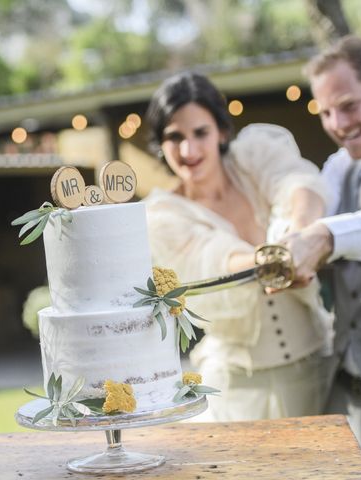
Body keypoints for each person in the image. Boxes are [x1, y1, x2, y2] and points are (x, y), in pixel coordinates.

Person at [143, 71, 334, 421]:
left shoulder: (253, 156)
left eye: (200, 132)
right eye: (174, 137)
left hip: (316, 362)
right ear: (160, 143)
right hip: (238, 385)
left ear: (221, 131)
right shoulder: (162, 213)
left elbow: (298, 181)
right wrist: (281, 262)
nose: (189, 150)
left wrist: (303, 235)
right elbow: (213, 258)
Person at [280, 36, 361, 480]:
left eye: (347, 106)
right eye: (325, 112)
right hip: (344, 385)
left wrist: (325, 236)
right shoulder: (341, 166)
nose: (336, 123)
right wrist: (290, 245)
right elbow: (307, 214)